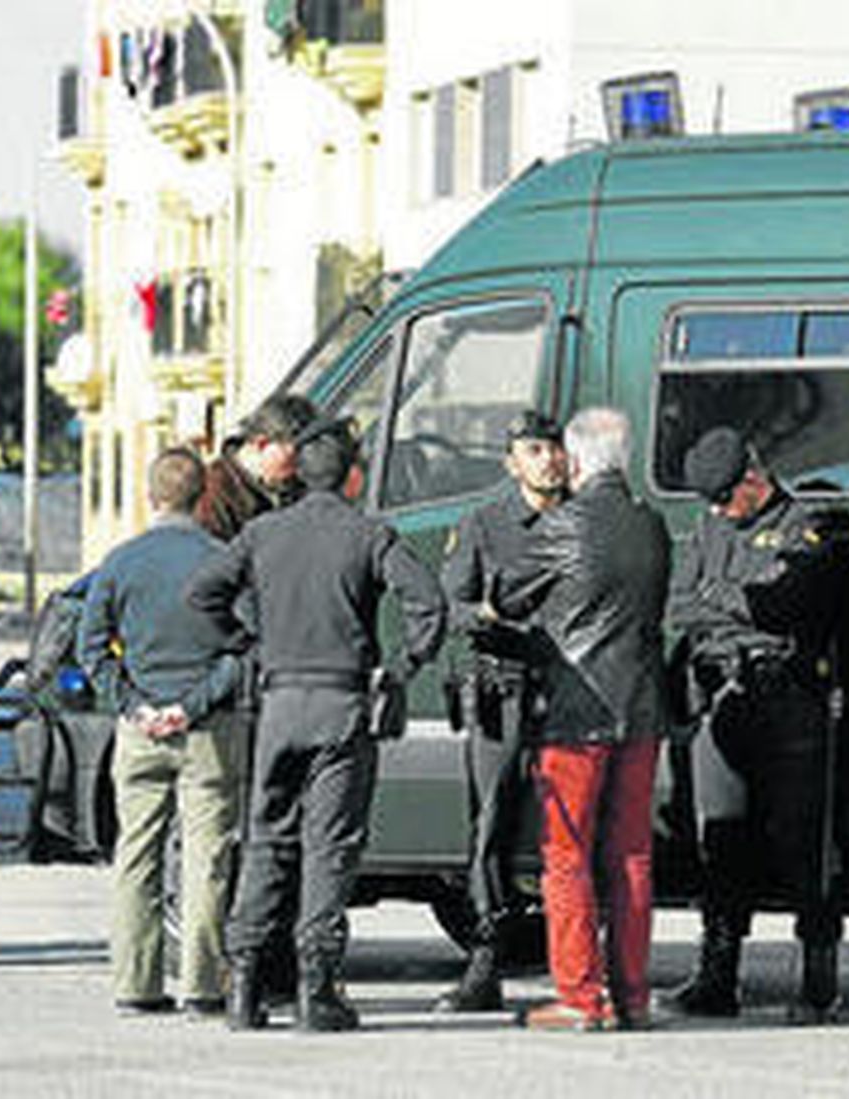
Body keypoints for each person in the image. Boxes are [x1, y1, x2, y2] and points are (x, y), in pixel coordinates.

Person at [186, 418, 447, 1032]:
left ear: (300, 475)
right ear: (353, 477)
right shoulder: (369, 535)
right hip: (341, 704)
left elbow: (201, 595)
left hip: (278, 704)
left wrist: (250, 643)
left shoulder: (262, 532)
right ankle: (317, 987)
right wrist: (402, 666)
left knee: (266, 840)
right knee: (329, 847)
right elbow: (428, 604)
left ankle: (244, 986)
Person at [663, 427, 849, 1024]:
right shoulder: (709, 528)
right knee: (720, 837)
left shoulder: (808, 529)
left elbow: (790, 606)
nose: (718, 510)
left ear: (754, 475)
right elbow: (675, 603)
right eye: (711, 502)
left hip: (790, 700)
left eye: (725, 497)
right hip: (721, 697)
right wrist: (739, 602)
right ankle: (717, 975)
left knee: (805, 843)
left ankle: (817, 982)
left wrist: (717, 597)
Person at [494, 407, 671, 1032]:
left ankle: (580, 995)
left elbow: (507, 594)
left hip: (578, 710)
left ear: (574, 458)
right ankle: (633, 994)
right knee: (631, 854)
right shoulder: (653, 525)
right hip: (643, 708)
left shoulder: (564, 525)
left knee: (565, 854)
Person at [77, 448, 248, 1018]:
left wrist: (132, 704)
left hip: (140, 731)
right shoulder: (222, 559)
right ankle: (202, 986)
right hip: (207, 732)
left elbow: (91, 647)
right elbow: (244, 647)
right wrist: (192, 705)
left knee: (136, 856)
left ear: (151, 496)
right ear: (203, 497)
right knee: (206, 859)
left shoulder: (121, 562)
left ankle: (135, 985)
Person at [434, 411, 570, 1013]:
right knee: (490, 825)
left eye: (554, 448)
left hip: (573, 689)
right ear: (513, 463)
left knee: (572, 827)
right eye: (534, 450)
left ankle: (583, 967)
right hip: (504, 688)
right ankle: (485, 959)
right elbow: (449, 607)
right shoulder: (485, 523)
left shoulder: (585, 519)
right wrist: (490, 618)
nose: (547, 460)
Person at [195, 394, 320, 541]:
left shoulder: (292, 490)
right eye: (295, 454)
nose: (302, 463)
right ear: (262, 444)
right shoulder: (212, 494)